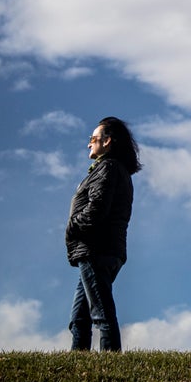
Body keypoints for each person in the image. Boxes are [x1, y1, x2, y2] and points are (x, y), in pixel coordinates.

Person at [66, 116, 140, 351]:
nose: (89, 144)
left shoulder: (107, 168)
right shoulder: (113, 170)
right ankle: (78, 367)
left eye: (93, 138)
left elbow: (97, 209)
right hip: (102, 250)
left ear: (107, 141)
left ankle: (111, 364)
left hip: (97, 250)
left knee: (100, 313)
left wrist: (72, 226)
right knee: (80, 317)